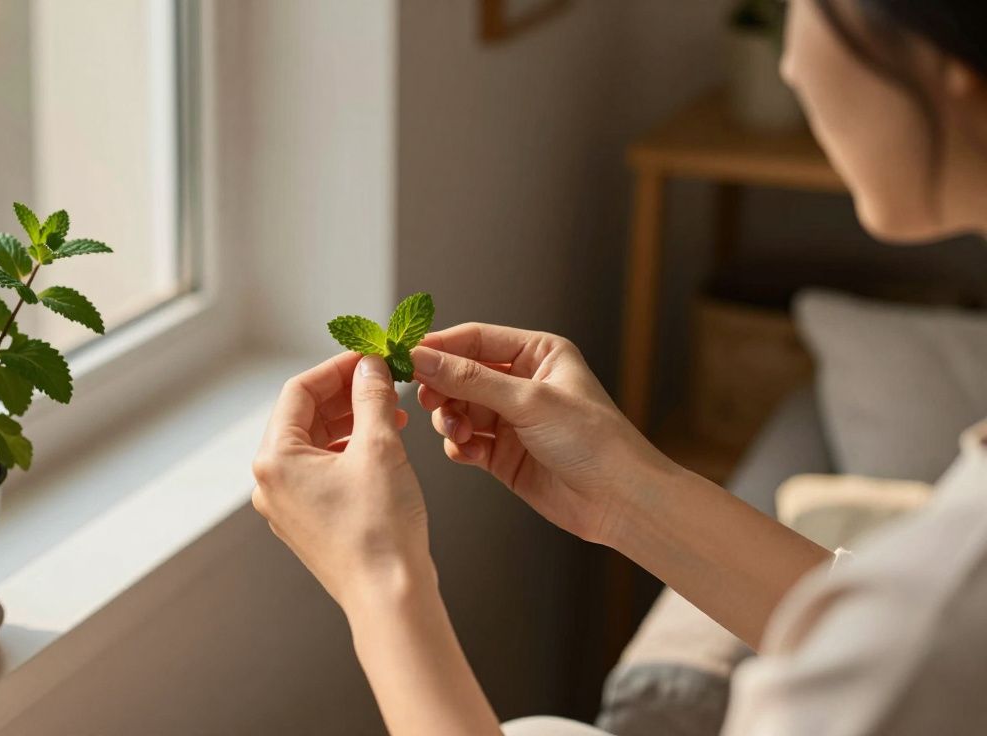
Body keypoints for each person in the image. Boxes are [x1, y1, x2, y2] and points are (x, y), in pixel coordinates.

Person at [249, 0, 987, 733]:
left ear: (952, 66)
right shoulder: (924, 621)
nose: (790, 61)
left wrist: (380, 582)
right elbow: (898, 640)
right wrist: (631, 493)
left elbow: (912, 645)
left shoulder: (918, 639)